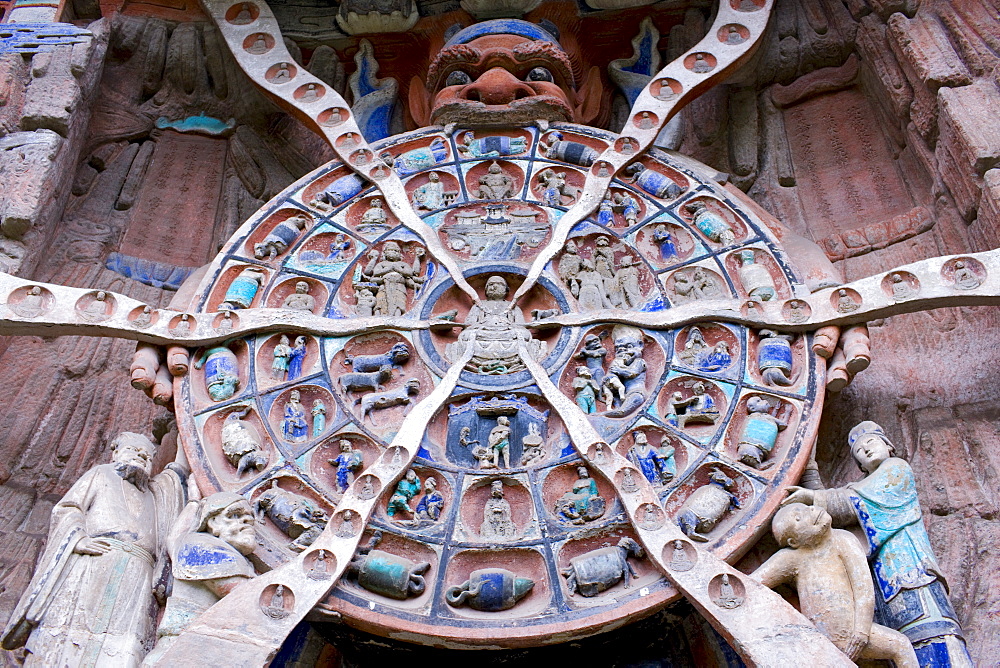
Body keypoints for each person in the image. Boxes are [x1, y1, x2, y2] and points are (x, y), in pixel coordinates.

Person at [784, 422, 973, 666]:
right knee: (900, 641)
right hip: (885, 581)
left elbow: (848, 503)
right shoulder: (862, 490)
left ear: (888, 445)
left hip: (911, 571)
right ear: (860, 465)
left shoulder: (896, 470)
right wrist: (810, 472)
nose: (867, 451)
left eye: (871, 443)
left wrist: (813, 497)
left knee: (931, 632)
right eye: (860, 452)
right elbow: (833, 519)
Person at [1, 433, 187, 667]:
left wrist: (184, 435)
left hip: (138, 573)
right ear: (116, 453)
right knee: (72, 626)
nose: (140, 457)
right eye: (132, 450)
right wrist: (78, 539)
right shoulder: (101, 474)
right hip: (96, 559)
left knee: (125, 643)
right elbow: (69, 508)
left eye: (146, 456)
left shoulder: (154, 492)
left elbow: (175, 476)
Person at [752, 503, 918, 667]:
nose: (810, 511)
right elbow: (752, 584)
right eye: (798, 518)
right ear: (794, 541)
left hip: (853, 633)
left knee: (900, 645)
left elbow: (863, 588)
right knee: (900, 645)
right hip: (821, 643)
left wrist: (861, 631)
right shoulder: (791, 558)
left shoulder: (842, 539)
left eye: (806, 507)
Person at [143, 492, 256, 665]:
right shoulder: (203, 547)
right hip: (186, 654)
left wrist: (194, 501)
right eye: (235, 515)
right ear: (212, 523)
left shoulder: (186, 544)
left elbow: (174, 537)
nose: (246, 521)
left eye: (250, 518)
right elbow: (246, 597)